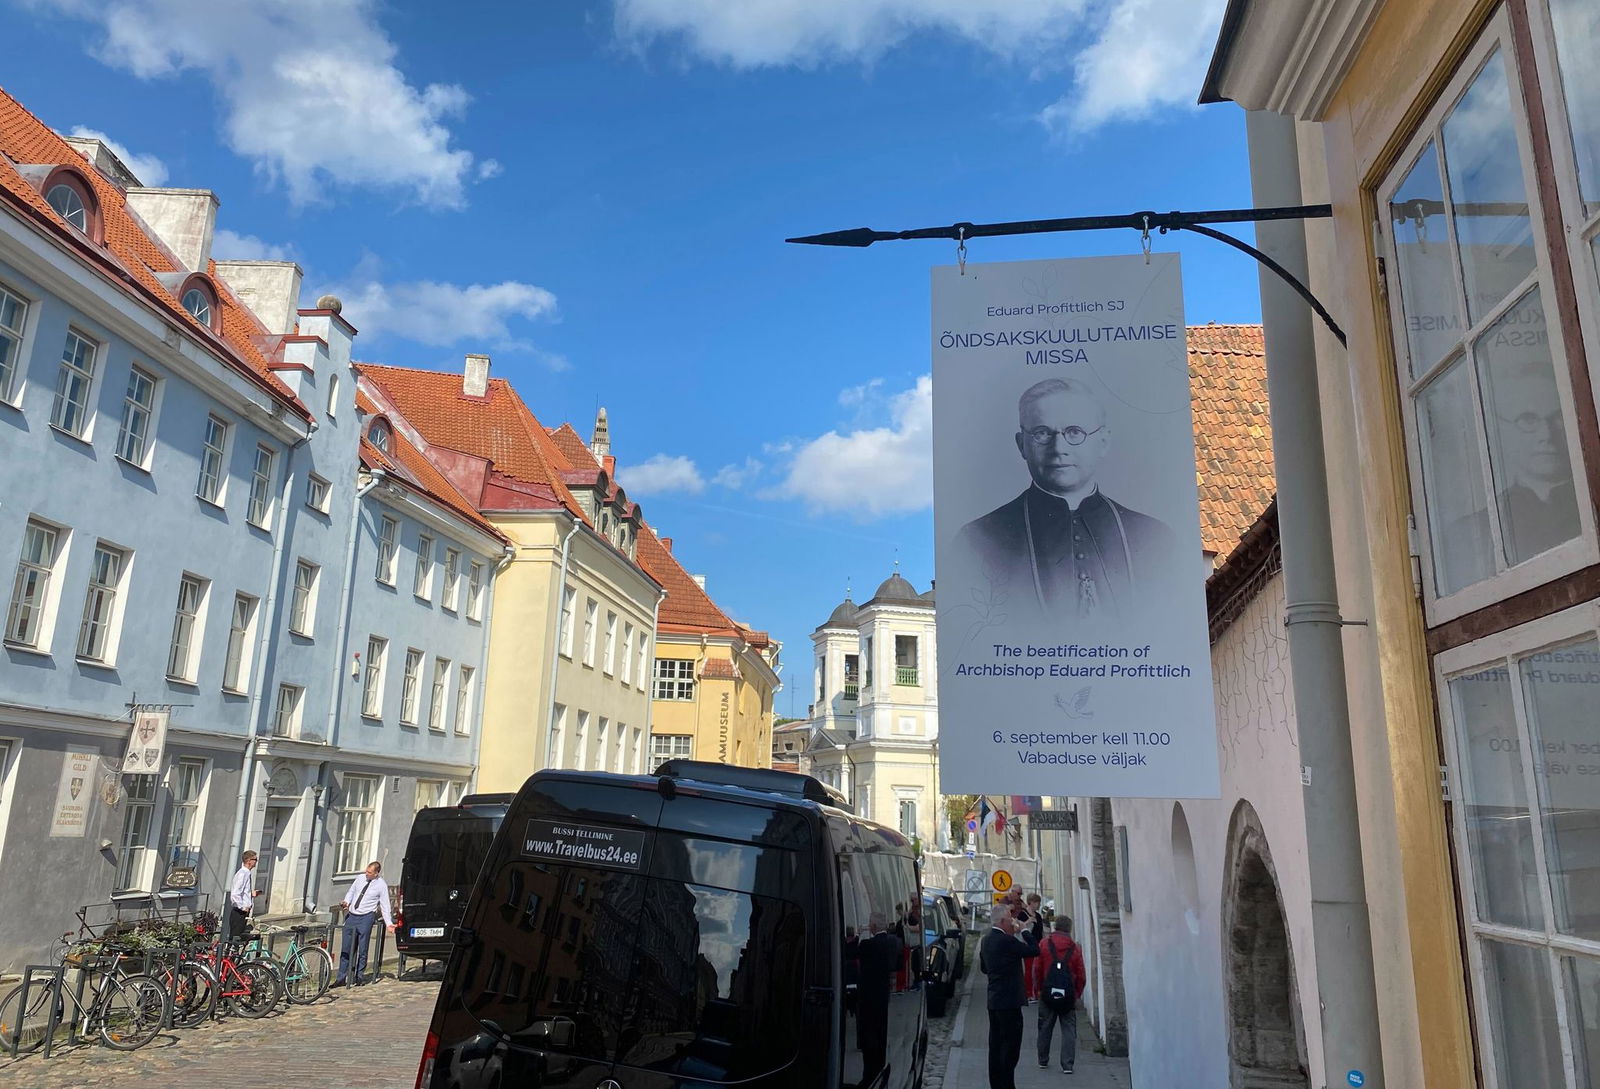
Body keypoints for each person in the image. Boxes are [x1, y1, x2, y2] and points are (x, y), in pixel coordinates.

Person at [954, 377, 1180, 624]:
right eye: (1042, 433)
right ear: (1022, 445)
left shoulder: (1154, 537)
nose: (1059, 447)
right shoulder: (978, 541)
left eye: (1075, 432)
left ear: (1102, 442)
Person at [981, 907, 1040, 1089]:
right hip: (1010, 1001)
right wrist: (1023, 930)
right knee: (1011, 1047)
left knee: (996, 1046)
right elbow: (1034, 949)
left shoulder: (986, 940)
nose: (1013, 923)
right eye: (1010, 920)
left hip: (994, 1000)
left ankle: (996, 1084)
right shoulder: (1006, 941)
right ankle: (1007, 1084)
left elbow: (984, 968)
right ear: (1002, 922)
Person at [850, 910, 904, 1086]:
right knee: (881, 1035)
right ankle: (881, 1070)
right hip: (884, 996)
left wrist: (858, 933)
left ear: (872, 926)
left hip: (867, 998)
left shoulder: (867, 944)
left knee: (868, 1038)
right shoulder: (895, 943)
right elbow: (899, 965)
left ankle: (869, 1076)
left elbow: (850, 952)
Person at [1034, 916, 1087, 1074]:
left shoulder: (1044, 944)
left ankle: (1043, 1060)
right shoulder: (1075, 947)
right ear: (1069, 929)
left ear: (1055, 927)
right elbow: (1081, 974)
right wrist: (1076, 994)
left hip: (1047, 993)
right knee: (1069, 1029)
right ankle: (1067, 1065)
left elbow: (1036, 969)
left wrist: (1038, 990)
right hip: (1068, 994)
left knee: (1044, 1027)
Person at [334, 860, 395, 987]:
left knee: (362, 948)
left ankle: (359, 976)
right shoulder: (360, 878)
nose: (366, 874)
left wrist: (388, 923)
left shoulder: (381, 885)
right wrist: (346, 902)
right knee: (346, 948)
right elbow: (351, 892)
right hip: (352, 915)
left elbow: (385, 905)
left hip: (366, 917)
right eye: (366, 871)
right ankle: (341, 977)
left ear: (376, 873)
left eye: (370, 872)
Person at [224, 850, 260, 942]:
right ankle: (229, 955)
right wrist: (242, 907)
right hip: (239, 912)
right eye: (255, 859)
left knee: (239, 938)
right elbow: (235, 893)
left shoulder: (246, 873)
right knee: (235, 938)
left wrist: (251, 894)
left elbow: (243, 891)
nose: (256, 861)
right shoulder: (242, 874)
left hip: (242, 912)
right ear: (248, 861)